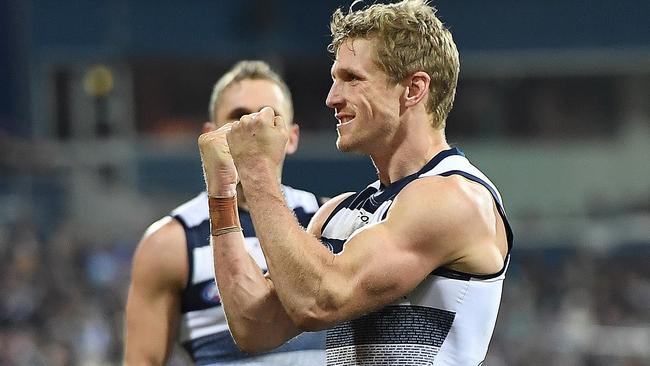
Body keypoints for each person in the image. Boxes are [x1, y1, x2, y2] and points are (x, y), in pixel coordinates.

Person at [198, 0, 514, 365]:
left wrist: (257, 171)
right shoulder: (338, 212)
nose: (332, 98)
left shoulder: (456, 199)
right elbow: (255, 327)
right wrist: (222, 194)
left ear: (413, 90)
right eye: (335, 79)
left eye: (352, 79)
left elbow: (321, 300)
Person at [124, 61, 326, 365]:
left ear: (292, 137)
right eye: (238, 117)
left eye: (269, 117)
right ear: (210, 134)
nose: (251, 127)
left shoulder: (332, 220)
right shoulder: (171, 243)